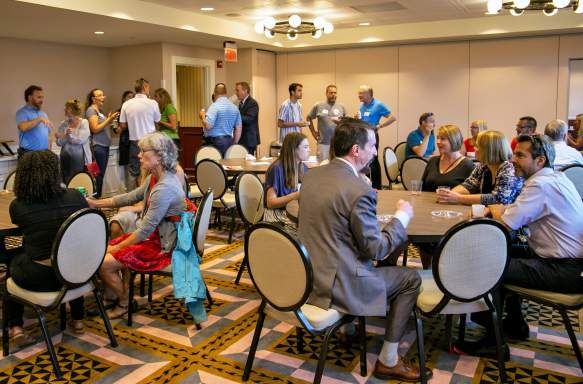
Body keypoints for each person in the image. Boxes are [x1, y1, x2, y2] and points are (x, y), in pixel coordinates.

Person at [298, 118, 426, 382]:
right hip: (340, 283)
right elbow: (376, 249)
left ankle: (349, 329)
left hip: (308, 276)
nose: (375, 152)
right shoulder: (358, 189)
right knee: (410, 278)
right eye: (373, 146)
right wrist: (401, 217)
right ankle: (389, 360)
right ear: (356, 150)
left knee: (389, 247)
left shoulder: (311, 176)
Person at [457, 134, 583, 356]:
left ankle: (494, 343)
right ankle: (515, 323)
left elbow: (505, 224)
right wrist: (500, 210)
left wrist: (497, 210)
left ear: (540, 161)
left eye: (520, 155)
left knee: (489, 266)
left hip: (564, 269)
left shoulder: (540, 186)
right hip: (564, 261)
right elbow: (511, 212)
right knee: (494, 253)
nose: (513, 159)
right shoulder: (555, 178)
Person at [87, 132, 185, 319]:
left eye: (143, 151)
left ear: (159, 155)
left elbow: (143, 231)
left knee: (103, 263)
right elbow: (130, 197)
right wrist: (95, 203)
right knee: (101, 253)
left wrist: (116, 246)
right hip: (156, 237)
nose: (138, 155)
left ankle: (124, 301)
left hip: (164, 247)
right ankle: (120, 295)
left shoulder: (165, 187)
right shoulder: (156, 178)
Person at [5, 151, 89, 344]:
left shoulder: (18, 206)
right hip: (79, 274)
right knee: (69, 253)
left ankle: (16, 327)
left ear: (23, 175)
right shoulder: (75, 196)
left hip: (43, 278)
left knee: (13, 260)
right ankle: (77, 320)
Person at [437, 131, 523, 206]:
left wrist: (459, 198)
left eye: (477, 146)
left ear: (489, 150)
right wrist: (448, 195)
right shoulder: (483, 166)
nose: (474, 149)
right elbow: (469, 185)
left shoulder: (509, 168)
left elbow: (498, 199)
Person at [119, 78, 161, 191]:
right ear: (145, 88)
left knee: (133, 172)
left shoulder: (126, 104)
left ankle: (131, 199)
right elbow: (158, 120)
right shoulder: (153, 103)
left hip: (135, 141)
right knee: (152, 170)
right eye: (148, 88)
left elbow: (122, 125)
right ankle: (149, 198)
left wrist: (134, 123)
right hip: (150, 142)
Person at [264, 132, 309, 224]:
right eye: (305, 147)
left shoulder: (303, 167)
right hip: (276, 214)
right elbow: (270, 203)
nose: (309, 150)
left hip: (292, 211)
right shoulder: (276, 169)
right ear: (294, 149)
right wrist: (296, 195)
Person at [357, 85, 397, 190]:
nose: (359, 95)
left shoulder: (378, 105)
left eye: (361, 93)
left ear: (369, 94)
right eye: (359, 93)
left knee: (373, 160)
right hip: (362, 136)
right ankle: (366, 186)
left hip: (372, 136)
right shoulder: (362, 106)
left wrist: (380, 125)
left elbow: (393, 117)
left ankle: (377, 187)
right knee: (365, 160)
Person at [85, 88, 120, 197]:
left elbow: (103, 126)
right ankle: (95, 201)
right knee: (97, 175)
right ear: (93, 99)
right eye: (99, 95)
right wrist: (108, 120)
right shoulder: (91, 110)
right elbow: (95, 128)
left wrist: (110, 120)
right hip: (98, 147)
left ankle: (97, 200)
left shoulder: (100, 112)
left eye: (103, 95)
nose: (103, 97)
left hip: (104, 147)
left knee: (100, 175)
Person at [421, 124, 475, 192]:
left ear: (454, 140)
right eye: (438, 138)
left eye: (442, 139)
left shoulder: (467, 165)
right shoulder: (433, 161)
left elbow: (471, 192)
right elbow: (422, 188)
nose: (438, 142)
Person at [201, 83, 242, 157]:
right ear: (226, 93)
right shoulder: (234, 108)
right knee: (226, 166)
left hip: (215, 142)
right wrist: (234, 143)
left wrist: (202, 116)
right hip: (229, 141)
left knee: (214, 166)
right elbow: (238, 128)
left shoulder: (214, 106)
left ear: (215, 93)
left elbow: (208, 125)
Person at [56, 99, 91, 183]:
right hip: (65, 157)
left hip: (80, 159)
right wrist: (64, 136)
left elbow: (80, 140)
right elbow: (58, 142)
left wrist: (68, 135)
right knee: (65, 181)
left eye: (66, 108)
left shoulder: (84, 123)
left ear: (72, 110)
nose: (64, 109)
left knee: (79, 180)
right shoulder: (63, 124)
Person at [307, 85, 346, 162]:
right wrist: (313, 133)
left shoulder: (341, 107)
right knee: (322, 167)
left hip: (337, 144)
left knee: (336, 168)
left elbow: (346, 122)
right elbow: (308, 118)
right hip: (323, 144)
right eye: (331, 93)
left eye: (335, 93)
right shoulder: (318, 106)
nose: (333, 95)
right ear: (326, 93)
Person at [16, 85, 53, 158]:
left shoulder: (43, 114)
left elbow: (48, 135)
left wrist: (49, 153)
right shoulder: (22, 112)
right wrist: (39, 119)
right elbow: (23, 127)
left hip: (44, 154)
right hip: (28, 154)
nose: (41, 100)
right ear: (29, 97)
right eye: (39, 97)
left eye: (42, 97)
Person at [115, 91, 135, 191]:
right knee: (128, 169)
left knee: (137, 169)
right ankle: (129, 192)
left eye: (133, 97)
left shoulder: (136, 111)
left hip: (134, 141)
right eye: (128, 97)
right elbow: (116, 130)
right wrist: (120, 127)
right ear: (123, 99)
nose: (131, 99)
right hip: (125, 142)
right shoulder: (119, 111)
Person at [235, 82, 260, 155]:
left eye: (237, 90)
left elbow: (249, 119)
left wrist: (235, 117)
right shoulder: (240, 103)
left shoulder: (253, 103)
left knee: (249, 163)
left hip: (249, 140)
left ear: (245, 91)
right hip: (242, 138)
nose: (236, 93)